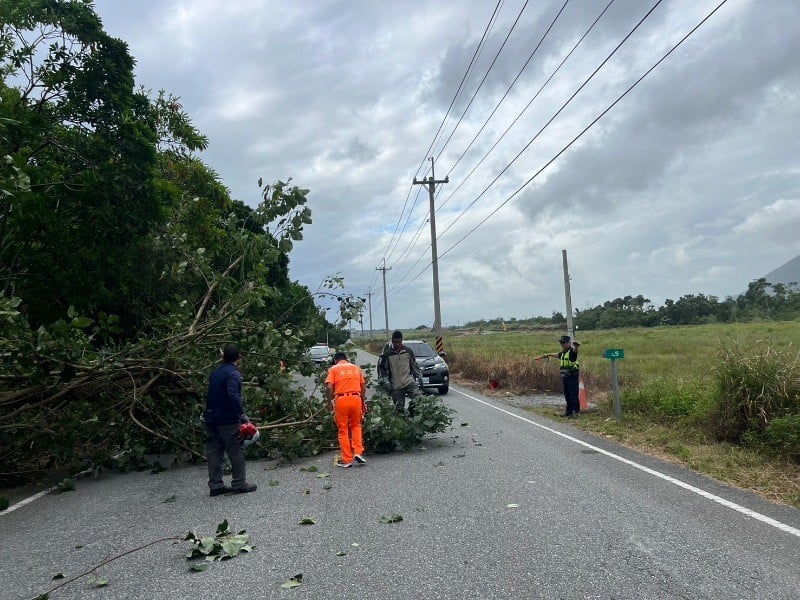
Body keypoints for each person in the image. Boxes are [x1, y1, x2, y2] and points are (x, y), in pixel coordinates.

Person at [205, 345, 258, 495]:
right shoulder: (233, 374)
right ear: (239, 358)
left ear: (223, 358)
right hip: (227, 419)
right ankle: (239, 483)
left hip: (211, 417)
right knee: (236, 450)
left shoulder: (215, 373)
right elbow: (233, 394)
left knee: (214, 452)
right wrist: (242, 415)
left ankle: (215, 485)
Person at [325, 351, 368, 468]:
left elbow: (329, 387)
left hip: (341, 400)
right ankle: (358, 452)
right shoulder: (356, 368)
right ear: (346, 359)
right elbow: (363, 386)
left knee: (343, 429)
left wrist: (329, 402)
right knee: (356, 425)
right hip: (356, 399)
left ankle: (347, 459)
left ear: (335, 360)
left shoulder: (333, 369)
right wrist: (362, 400)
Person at [378, 330, 423, 415]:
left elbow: (414, 365)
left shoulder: (408, 351)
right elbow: (383, 369)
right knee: (399, 411)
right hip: (396, 385)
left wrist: (419, 377)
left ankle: (411, 412)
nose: (397, 344)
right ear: (392, 341)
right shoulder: (387, 354)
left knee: (418, 399)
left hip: (408, 381)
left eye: (399, 342)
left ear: (402, 340)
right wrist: (386, 382)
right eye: (395, 342)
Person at [537, 335, 581, 418]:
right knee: (567, 395)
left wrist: (576, 346)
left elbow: (575, 351)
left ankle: (575, 413)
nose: (562, 344)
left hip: (572, 376)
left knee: (573, 395)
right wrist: (547, 354)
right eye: (561, 343)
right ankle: (568, 412)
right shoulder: (564, 353)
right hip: (565, 377)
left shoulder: (571, 352)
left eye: (563, 343)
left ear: (569, 343)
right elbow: (557, 355)